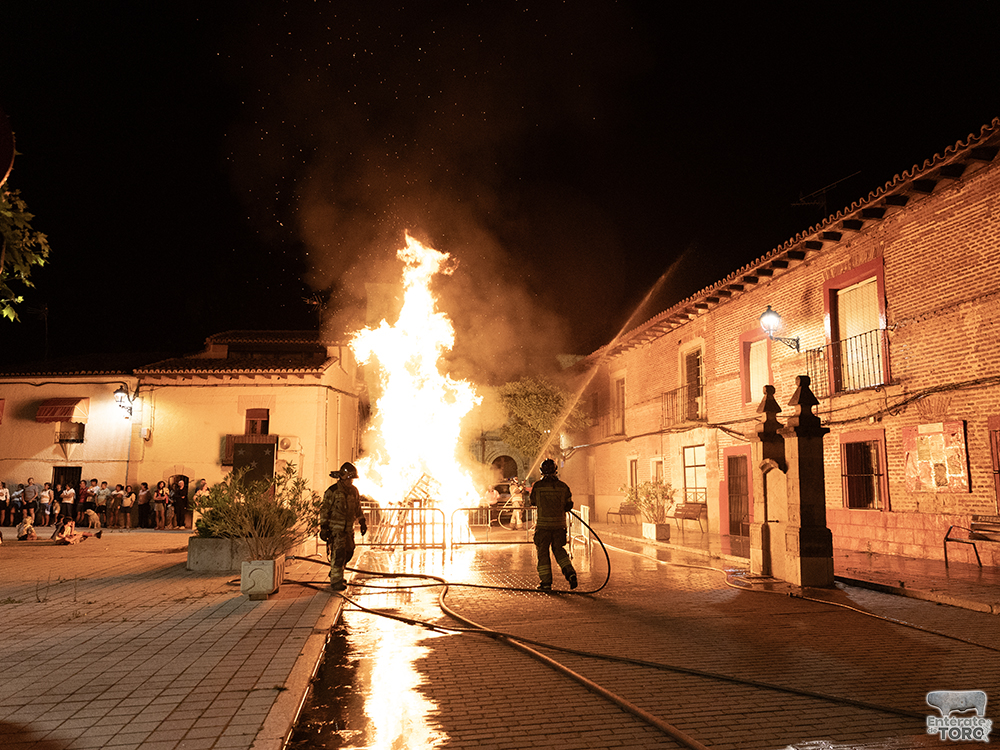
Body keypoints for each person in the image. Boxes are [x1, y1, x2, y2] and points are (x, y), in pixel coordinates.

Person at [529, 458, 578, 591]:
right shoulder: (563, 486)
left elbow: (533, 502)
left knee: (543, 553)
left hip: (543, 527)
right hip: (559, 526)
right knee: (559, 550)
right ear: (556, 470)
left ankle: (546, 583)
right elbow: (569, 504)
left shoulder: (538, 486)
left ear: (541, 471)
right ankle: (570, 572)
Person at [319, 462, 367, 592]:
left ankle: (336, 572)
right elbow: (325, 510)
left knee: (349, 552)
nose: (351, 481)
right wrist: (323, 527)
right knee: (338, 554)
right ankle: (336, 580)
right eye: (349, 478)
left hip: (348, 530)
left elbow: (357, 508)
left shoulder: (354, 491)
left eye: (352, 479)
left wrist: (362, 522)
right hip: (336, 530)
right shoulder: (332, 491)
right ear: (343, 477)